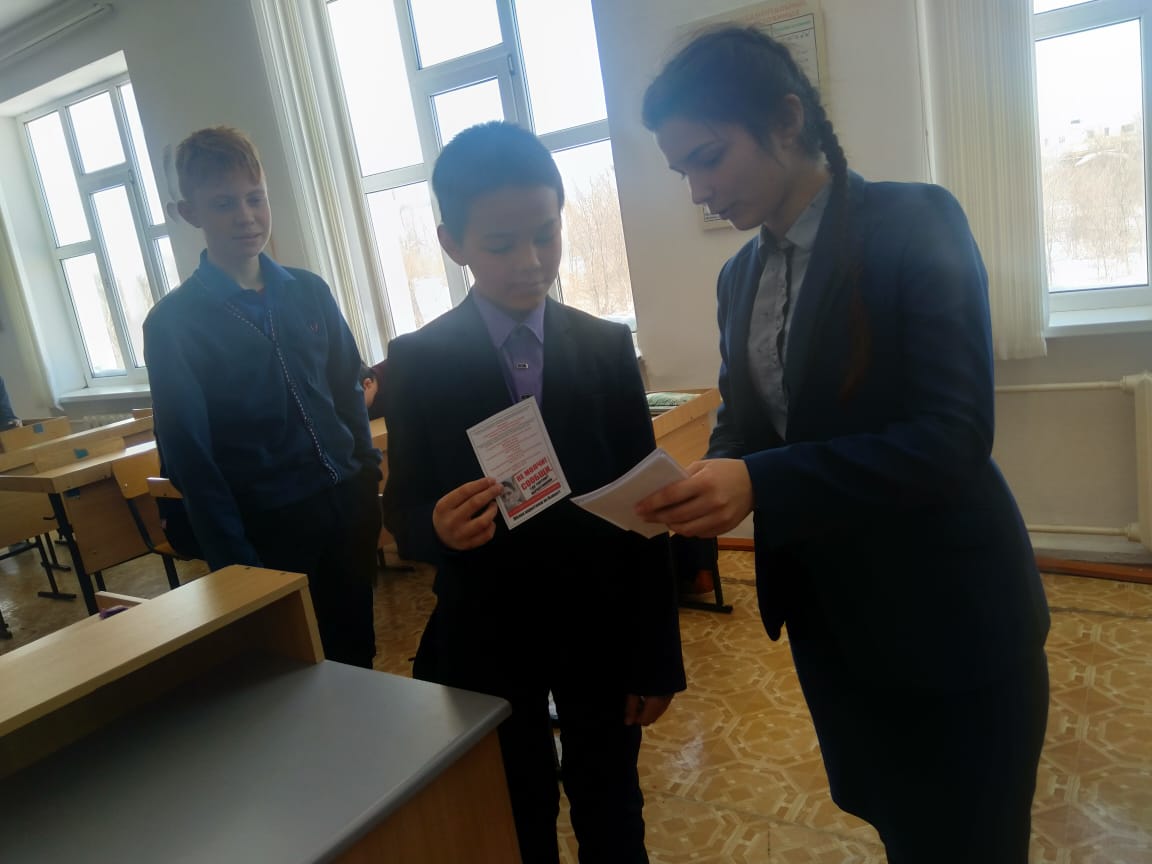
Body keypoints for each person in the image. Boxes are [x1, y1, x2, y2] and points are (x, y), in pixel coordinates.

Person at [635, 27, 1050, 864]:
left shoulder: (914, 222)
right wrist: (710, 476)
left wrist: (760, 482)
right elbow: (747, 420)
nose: (700, 192)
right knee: (902, 827)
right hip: (835, 629)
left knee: (972, 839)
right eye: (683, 173)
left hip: (948, 619)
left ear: (787, 120)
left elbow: (954, 436)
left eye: (710, 159)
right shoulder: (738, 277)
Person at [381, 121, 685, 864]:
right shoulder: (418, 362)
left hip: (599, 628)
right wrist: (435, 528)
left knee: (612, 805)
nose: (530, 261)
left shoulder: (606, 348)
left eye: (546, 235)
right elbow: (404, 508)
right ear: (453, 242)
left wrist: (656, 657)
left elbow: (647, 510)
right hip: (487, 633)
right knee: (517, 813)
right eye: (500, 244)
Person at [143, 126, 382, 668]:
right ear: (189, 213)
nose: (246, 216)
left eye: (255, 198)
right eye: (224, 204)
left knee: (357, 658)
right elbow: (190, 457)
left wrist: (365, 479)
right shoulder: (173, 324)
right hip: (265, 527)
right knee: (294, 669)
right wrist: (236, 564)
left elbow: (347, 387)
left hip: (345, 507)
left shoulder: (309, 290)